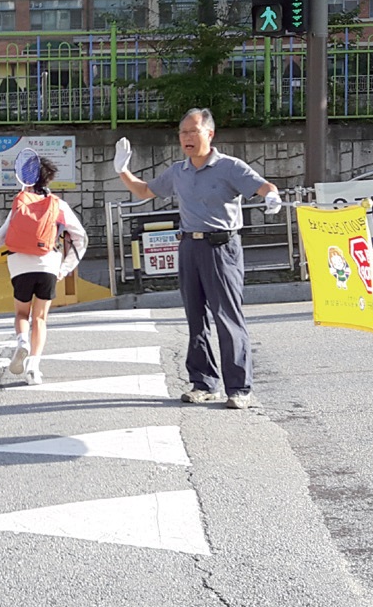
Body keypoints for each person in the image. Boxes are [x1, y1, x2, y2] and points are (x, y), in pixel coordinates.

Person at [113, 107, 282, 410]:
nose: (187, 138)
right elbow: (145, 192)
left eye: (193, 131)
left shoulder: (230, 167)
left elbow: (264, 186)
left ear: (210, 133)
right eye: (183, 133)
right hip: (189, 246)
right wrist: (122, 171)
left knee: (227, 318)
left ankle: (239, 388)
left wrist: (272, 196)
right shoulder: (179, 171)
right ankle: (203, 383)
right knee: (195, 317)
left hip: (221, 247)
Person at [0, 155, 87, 386]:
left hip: (19, 264)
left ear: (27, 178)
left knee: (22, 314)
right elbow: (81, 238)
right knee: (40, 317)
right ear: (48, 179)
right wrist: (65, 268)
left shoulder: (21, 203)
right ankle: (33, 367)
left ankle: (22, 342)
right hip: (48, 263)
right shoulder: (59, 206)